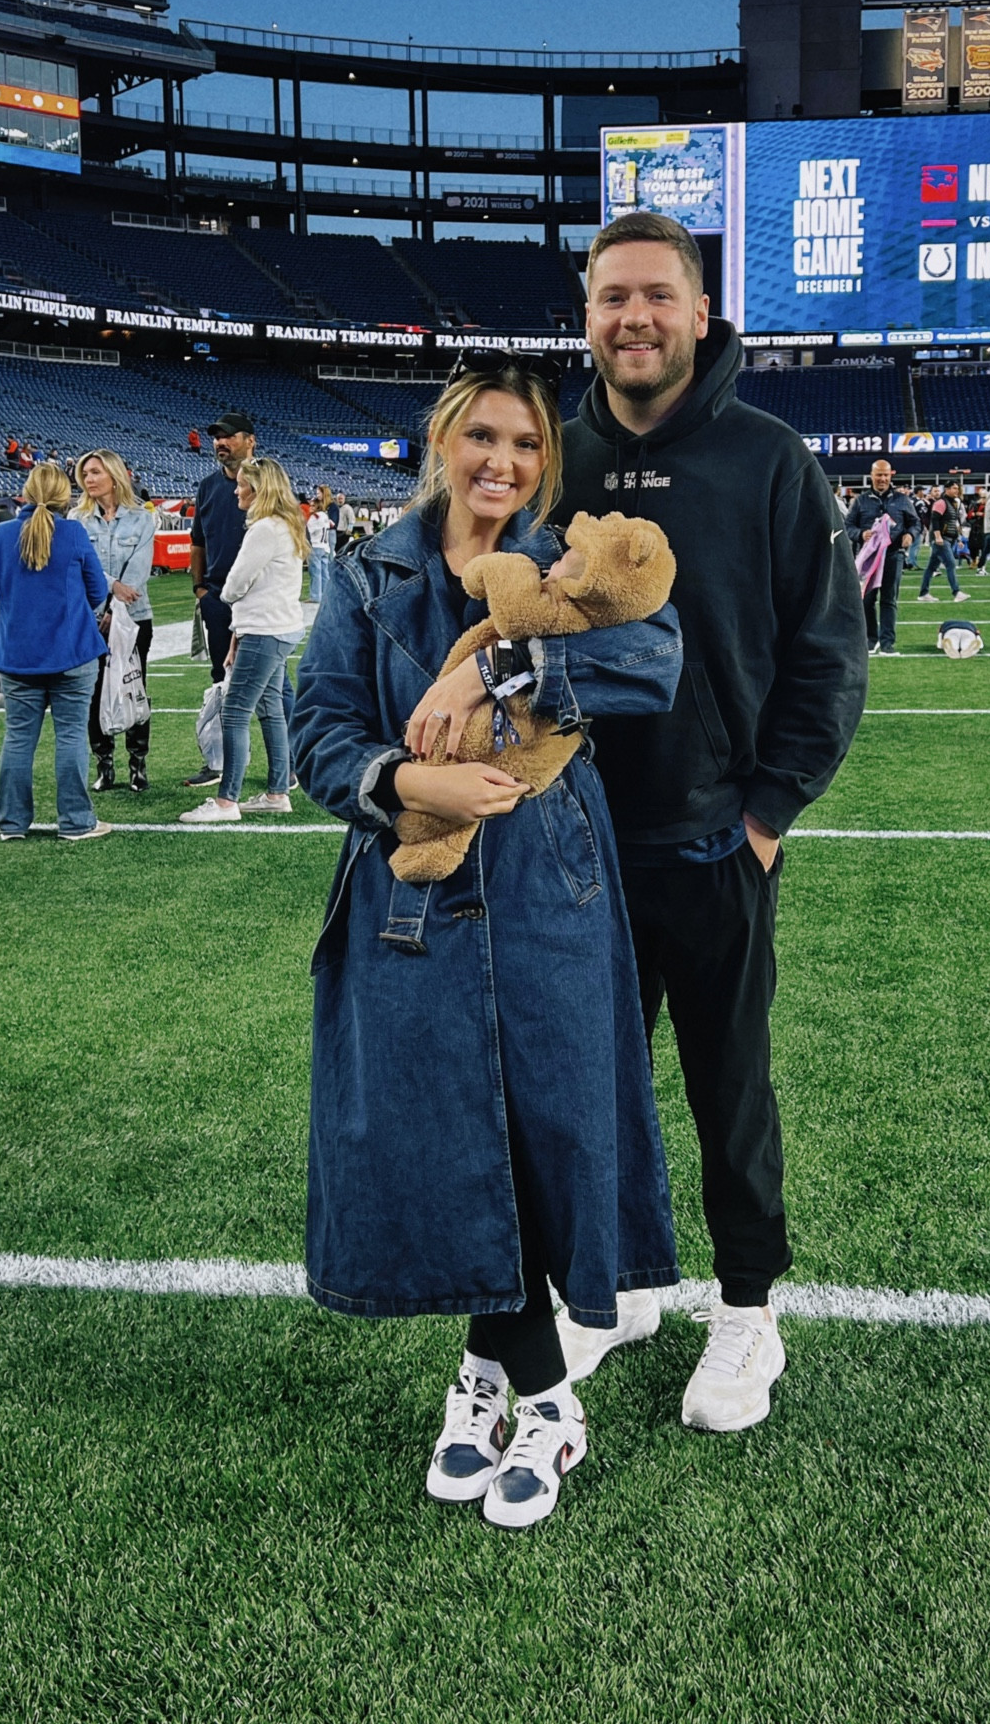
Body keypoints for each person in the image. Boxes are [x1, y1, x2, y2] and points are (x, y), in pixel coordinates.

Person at [290, 353, 682, 1530]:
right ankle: (538, 1390)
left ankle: (500, 1386)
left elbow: (653, 666)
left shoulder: (570, 563)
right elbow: (317, 730)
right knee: (452, 1136)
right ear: (445, 441)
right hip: (411, 894)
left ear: (544, 460)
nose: (502, 463)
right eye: (484, 439)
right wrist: (413, 776)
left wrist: (498, 669)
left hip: (552, 881)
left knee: (537, 1131)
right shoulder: (368, 572)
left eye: (524, 445)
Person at [555, 210, 866, 1430]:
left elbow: (827, 654)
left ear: (697, 311)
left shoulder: (771, 456)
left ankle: (748, 1311)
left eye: (654, 296)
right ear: (587, 313)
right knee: (585, 1084)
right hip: (571, 841)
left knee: (727, 1082)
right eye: (609, 297)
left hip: (713, 837)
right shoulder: (555, 456)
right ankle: (614, 1286)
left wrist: (770, 808)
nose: (632, 318)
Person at [0, 464, 111, 841]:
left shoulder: (0, 535)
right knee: (71, 736)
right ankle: (75, 822)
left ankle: (12, 823)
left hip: (16, 655)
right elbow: (98, 590)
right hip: (72, 652)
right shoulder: (72, 533)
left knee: (18, 738)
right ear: (63, 496)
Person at [181, 458, 306, 822]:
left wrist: (222, 599)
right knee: (271, 712)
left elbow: (235, 585)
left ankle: (226, 801)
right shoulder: (285, 524)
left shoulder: (265, 529)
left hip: (265, 630)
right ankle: (277, 791)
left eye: (242, 485)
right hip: (273, 628)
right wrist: (238, 631)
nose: (236, 490)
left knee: (235, 712)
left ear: (260, 489)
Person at [76, 449, 156, 794]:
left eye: (95, 472)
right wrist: (110, 589)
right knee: (94, 693)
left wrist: (115, 606)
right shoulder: (76, 519)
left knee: (135, 687)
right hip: (90, 620)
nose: (89, 479)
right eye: (85, 473)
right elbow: (82, 567)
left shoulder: (142, 518)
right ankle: (103, 764)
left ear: (114, 475)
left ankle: (137, 764)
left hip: (134, 618)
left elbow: (139, 571)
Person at [186, 411, 259, 786]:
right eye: (216, 437)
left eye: (228, 436)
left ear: (250, 441)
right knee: (221, 678)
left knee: (272, 688)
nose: (219, 443)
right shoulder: (207, 487)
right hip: (217, 597)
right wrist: (200, 589)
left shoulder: (268, 486)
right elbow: (197, 541)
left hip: (257, 600)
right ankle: (218, 764)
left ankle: (288, 765)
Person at [845, 458, 918, 655]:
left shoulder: (902, 499)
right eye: (879, 475)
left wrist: (910, 534)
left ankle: (887, 643)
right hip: (868, 558)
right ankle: (871, 639)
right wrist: (861, 534)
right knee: (866, 600)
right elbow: (848, 526)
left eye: (886, 475)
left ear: (891, 475)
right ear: (872, 476)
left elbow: (915, 523)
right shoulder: (860, 500)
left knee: (889, 600)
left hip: (893, 556)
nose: (882, 479)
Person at [917, 480, 969, 603]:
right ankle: (956, 592)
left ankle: (923, 593)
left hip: (949, 538)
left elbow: (952, 522)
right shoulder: (941, 503)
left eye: (957, 488)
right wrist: (938, 537)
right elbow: (935, 520)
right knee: (950, 564)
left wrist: (958, 538)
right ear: (947, 489)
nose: (957, 491)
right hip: (942, 539)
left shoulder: (953, 504)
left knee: (931, 567)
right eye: (954, 488)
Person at [306, 485, 335, 602]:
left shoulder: (315, 517)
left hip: (316, 545)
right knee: (325, 572)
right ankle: (325, 595)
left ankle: (315, 596)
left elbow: (310, 531)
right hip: (325, 547)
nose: (310, 507)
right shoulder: (325, 516)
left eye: (313, 505)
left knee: (315, 572)